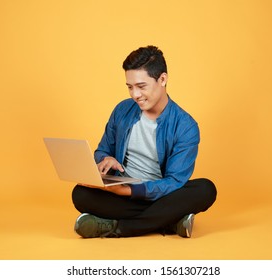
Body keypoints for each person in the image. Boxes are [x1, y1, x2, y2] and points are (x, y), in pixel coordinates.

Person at [72, 45, 217, 238]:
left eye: (141, 86)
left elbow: (174, 181)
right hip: (123, 194)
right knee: (80, 194)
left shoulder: (185, 126)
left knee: (205, 189)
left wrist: (129, 191)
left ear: (162, 79)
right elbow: (102, 150)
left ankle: (118, 228)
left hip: (162, 196)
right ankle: (171, 221)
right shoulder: (122, 110)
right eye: (130, 87)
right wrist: (106, 159)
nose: (135, 95)